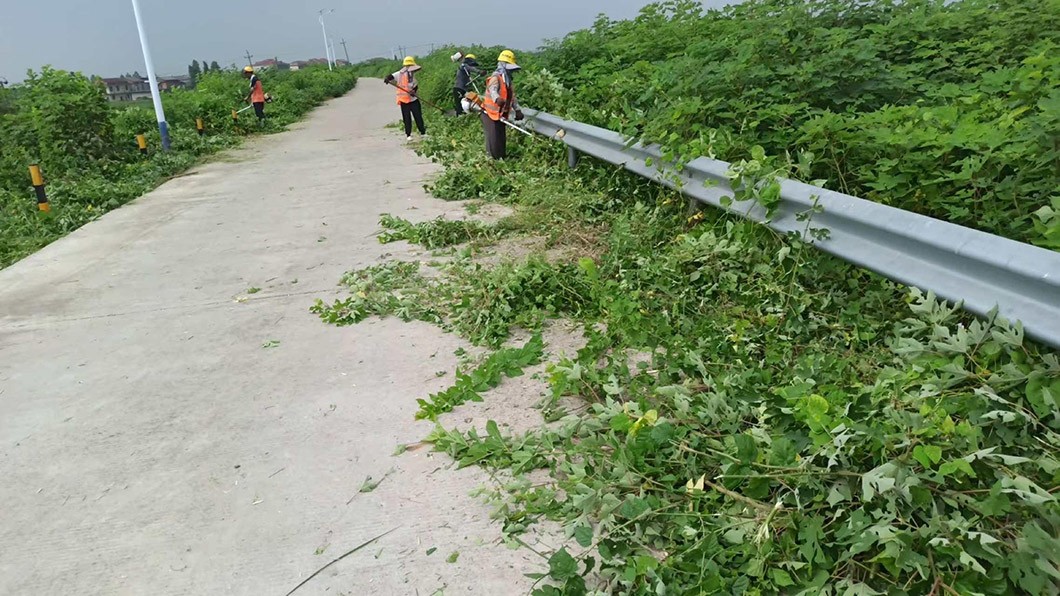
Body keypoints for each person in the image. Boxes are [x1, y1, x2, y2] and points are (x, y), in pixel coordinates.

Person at [480, 50, 525, 160]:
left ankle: (501, 160)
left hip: (499, 115)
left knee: (501, 139)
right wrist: (497, 99)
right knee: (493, 140)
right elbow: (492, 90)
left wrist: (517, 110)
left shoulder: (508, 81)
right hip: (489, 114)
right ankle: (493, 161)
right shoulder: (496, 78)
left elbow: (512, 97)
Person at [384, 56, 427, 141]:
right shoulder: (399, 74)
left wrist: (413, 92)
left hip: (413, 100)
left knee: (418, 116)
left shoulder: (412, 75)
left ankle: (423, 132)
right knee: (406, 118)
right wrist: (387, 79)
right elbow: (390, 76)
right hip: (404, 100)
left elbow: (415, 86)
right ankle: (408, 135)